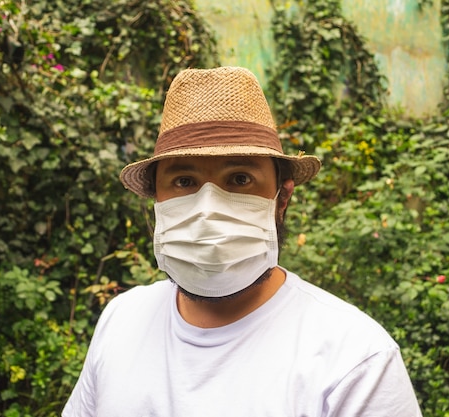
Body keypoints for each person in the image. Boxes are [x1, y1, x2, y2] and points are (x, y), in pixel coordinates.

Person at [62, 66, 422, 416]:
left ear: (282, 198)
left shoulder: (355, 360)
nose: (207, 208)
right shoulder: (121, 320)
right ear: (157, 200)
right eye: (184, 181)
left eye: (239, 178)